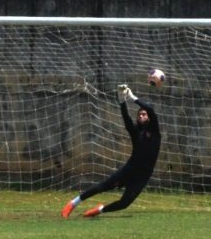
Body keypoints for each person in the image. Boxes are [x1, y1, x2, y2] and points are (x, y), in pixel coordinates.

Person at [61, 84, 161, 218]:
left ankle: (100, 210)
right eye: (139, 114)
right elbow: (126, 119)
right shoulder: (135, 132)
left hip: (143, 175)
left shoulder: (154, 130)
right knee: (102, 187)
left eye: (144, 114)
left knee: (124, 203)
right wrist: (122, 100)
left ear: (149, 117)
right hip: (130, 169)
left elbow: (150, 109)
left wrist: (132, 97)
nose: (141, 115)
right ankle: (73, 203)